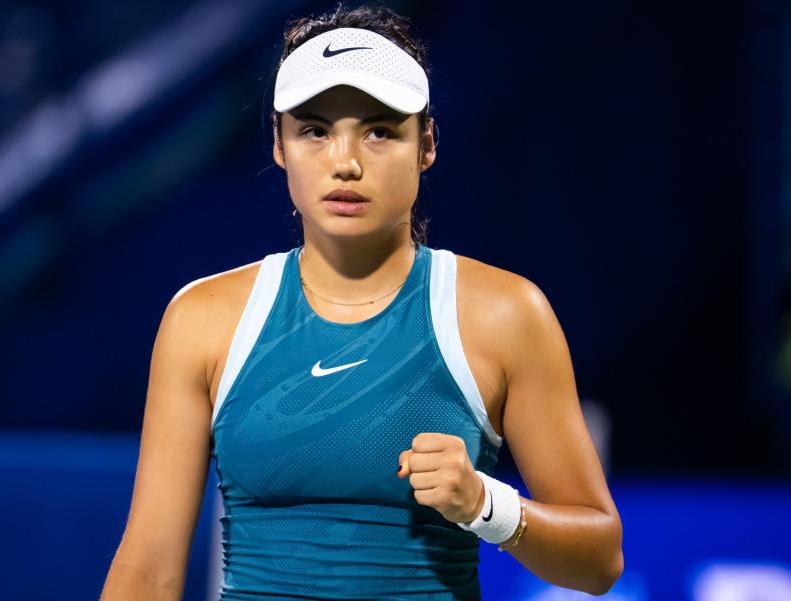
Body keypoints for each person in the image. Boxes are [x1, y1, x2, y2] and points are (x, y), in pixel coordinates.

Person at [100, 4, 623, 600]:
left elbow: (601, 559)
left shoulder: (504, 315)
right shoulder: (202, 320)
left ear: (426, 143)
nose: (345, 163)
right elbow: (147, 572)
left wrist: (486, 505)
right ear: (279, 145)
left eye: (379, 130)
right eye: (315, 130)